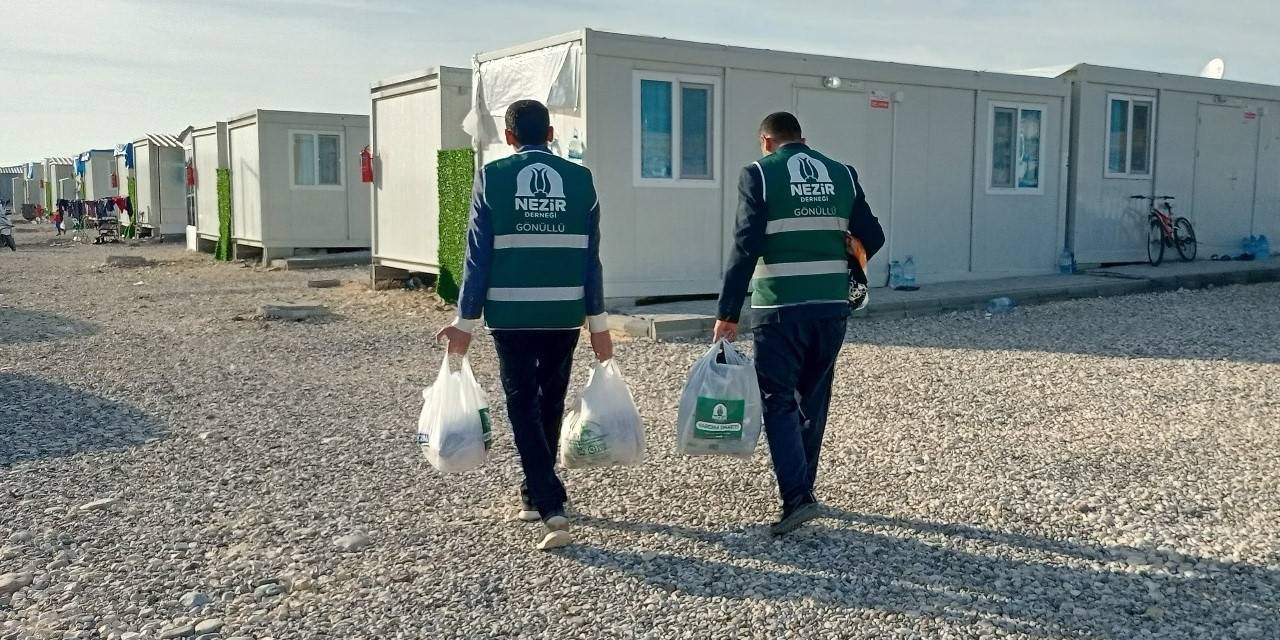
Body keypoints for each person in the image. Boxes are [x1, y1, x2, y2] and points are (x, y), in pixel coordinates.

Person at [436, 99, 613, 551]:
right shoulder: (582, 180)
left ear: (509, 137)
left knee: (521, 403)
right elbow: (590, 258)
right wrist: (599, 322)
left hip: (510, 314)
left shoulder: (492, 178)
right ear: (551, 133)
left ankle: (549, 500)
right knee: (549, 399)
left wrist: (464, 322)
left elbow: (477, 255)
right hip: (562, 314)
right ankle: (536, 493)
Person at [713, 112, 885, 535]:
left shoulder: (759, 174)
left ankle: (797, 498)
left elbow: (745, 245)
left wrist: (728, 313)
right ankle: (804, 488)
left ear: (767, 141)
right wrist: (850, 257)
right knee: (814, 399)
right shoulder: (842, 173)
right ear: (803, 140)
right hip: (830, 309)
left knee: (778, 399)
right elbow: (874, 235)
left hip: (779, 308)